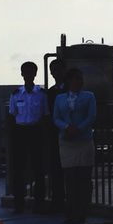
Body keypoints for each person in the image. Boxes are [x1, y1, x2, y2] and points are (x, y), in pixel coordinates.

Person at [51, 67, 97, 224]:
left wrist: (78, 128)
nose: (78, 82)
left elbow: (91, 116)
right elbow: (55, 117)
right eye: (75, 79)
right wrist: (66, 127)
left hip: (83, 139)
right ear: (69, 81)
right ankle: (71, 211)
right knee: (70, 178)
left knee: (84, 178)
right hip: (66, 141)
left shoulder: (89, 96)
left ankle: (82, 211)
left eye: (80, 79)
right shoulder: (60, 99)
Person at [7, 61, 49, 212]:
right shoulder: (16, 94)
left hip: (36, 131)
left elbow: (45, 115)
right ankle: (19, 203)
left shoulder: (42, 94)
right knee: (18, 169)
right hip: (21, 131)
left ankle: (39, 203)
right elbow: (12, 116)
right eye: (26, 72)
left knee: (38, 168)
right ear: (22, 74)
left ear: (35, 74)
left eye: (31, 72)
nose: (28, 75)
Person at [44, 58, 67, 213]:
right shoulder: (51, 92)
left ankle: (64, 201)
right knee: (56, 168)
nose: (56, 73)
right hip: (55, 134)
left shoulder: (63, 91)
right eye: (54, 71)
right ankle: (57, 200)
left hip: (66, 133)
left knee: (68, 168)